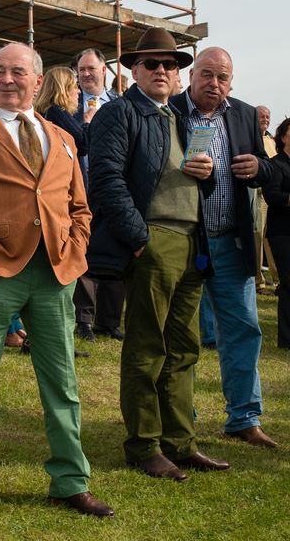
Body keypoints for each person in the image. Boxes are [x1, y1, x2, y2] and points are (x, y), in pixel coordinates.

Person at [0, 43, 113, 524]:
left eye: (17, 72)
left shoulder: (62, 136)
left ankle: (70, 482)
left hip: (55, 274)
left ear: (38, 82)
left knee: (63, 383)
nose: (6, 79)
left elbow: (79, 204)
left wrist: (75, 246)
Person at [88, 27, 229, 481]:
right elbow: (105, 181)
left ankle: (181, 442)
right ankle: (144, 444)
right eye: (152, 64)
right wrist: (139, 238)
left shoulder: (182, 118)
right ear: (134, 69)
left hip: (191, 242)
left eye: (170, 65)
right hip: (152, 241)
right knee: (148, 346)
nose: (163, 71)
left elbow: (190, 179)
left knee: (184, 348)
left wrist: (206, 174)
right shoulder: (119, 113)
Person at [170, 47, 276, 449]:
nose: (214, 84)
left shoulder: (246, 114)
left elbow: (268, 168)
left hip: (231, 241)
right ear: (192, 75)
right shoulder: (171, 111)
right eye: (207, 75)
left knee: (243, 329)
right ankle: (182, 419)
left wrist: (258, 169)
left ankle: (244, 418)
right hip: (184, 240)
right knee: (179, 334)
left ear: (232, 82)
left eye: (223, 78)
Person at [72, 48, 125, 343]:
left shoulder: (118, 104)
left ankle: (109, 320)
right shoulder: (69, 105)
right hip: (80, 188)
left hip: (112, 190)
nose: (86, 74)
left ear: (105, 70)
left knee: (114, 254)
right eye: (81, 70)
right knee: (83, 254)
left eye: (91, 68)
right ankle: (84, 320)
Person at [263, 117, 290, 349]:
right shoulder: (276, 164)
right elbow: (271, 195)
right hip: (282, 232)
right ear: (283, 137)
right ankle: (286, 339)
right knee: (289, 282)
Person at [254, 105, 279, 294]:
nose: (265, 119)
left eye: (267, 116)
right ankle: (258, 281)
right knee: (257, 236)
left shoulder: (271, 140)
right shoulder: (252, 138)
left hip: (274, 197)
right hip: (258, 195)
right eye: (261, 116)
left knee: (272, 236)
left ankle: (278, 278)